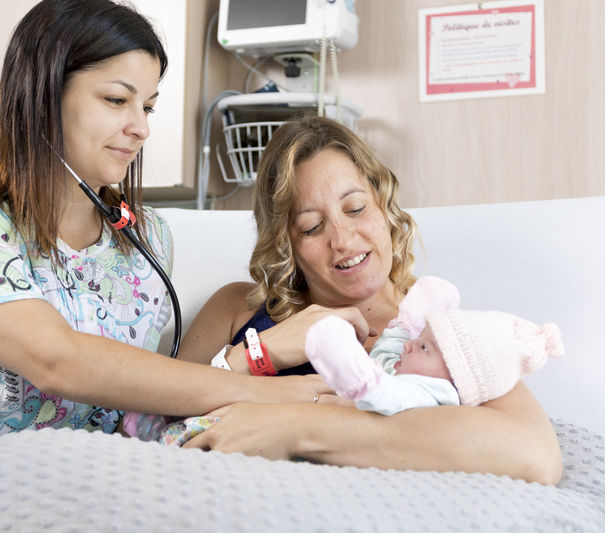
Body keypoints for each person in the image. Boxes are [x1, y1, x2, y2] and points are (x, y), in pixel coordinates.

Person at [0, 2, 345, 530]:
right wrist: (263, 389)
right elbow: (62, 362)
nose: (139, 128)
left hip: (66, 502)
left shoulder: (147, 238)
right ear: (42, 97)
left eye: (147, 107)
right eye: (115, 100)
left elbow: (137, 404)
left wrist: (274, 391)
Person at [177, 114, 563, 485]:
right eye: (311, 227)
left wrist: (297, 426)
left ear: (384, 204)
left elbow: (536, 457)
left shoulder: (438, 332)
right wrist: (260, 353)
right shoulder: (238, 310)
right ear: (285, 243)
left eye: (356, 208)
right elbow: (153, 415)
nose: (343, 240)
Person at [306, 306, 565, 415]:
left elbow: (386, 395)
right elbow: (387, 352)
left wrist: (362, 380)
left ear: (456, 375)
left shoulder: (436, 393)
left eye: (423, 347)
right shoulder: (416, 375)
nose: (408, 346)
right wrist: (404, 325)